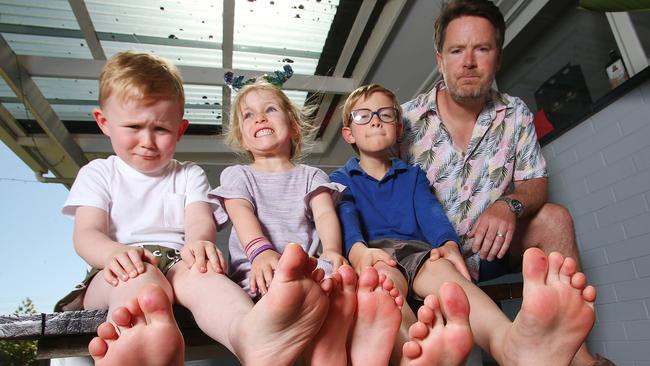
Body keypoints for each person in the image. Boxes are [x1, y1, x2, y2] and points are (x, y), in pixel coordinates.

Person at [57, 52, 337, 366]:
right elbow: (87, 234)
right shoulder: (99, 173)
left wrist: (199, 245)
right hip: (116, 268)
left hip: (179, 261)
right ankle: (143, 343)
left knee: (206, 280)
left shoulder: (189, 173)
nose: (148, 140)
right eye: (133, 126)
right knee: (142, 282)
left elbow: (199, 222)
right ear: (104, 123)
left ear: (180, 129)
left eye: (161, 129)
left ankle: (249, 334)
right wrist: (111, 255)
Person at [398, 1, 614, 364]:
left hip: (491, 249)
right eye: (456, 51)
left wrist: (508, 205)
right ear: (440, 60)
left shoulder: (514, 114)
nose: (468, 61)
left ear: (497, 59)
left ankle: (577, 358)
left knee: (554, 218)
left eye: (481, 49)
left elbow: (536, 181)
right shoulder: (403, 122)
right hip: (430, 259)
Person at [332, 83, 598, 365]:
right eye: (363, 116)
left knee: (451, 283)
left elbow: (430, 213)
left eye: (385, 114)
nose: (375, 119)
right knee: (383, 288)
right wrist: (359, 253)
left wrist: (447, 245)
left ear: (399, 130)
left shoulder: (412, 176)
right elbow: (347, 221)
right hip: (376, 254)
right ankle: (414, 351)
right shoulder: (341, 179)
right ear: (348, 133)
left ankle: (509, 345)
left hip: (420, 253)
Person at [208, 79, 403, 365]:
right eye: (248, 115)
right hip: (259, 270)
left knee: (332, 277)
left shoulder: (311, 176)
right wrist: (261, 252)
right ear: (241, 137)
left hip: (308, 270)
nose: (259, 117)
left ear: (294, 126)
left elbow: (325, 214)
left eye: (270, 109)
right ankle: (331, 343)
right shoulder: (238, 175)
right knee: (288, 293)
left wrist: (333, 251)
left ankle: (332, 347)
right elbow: (241, 213)